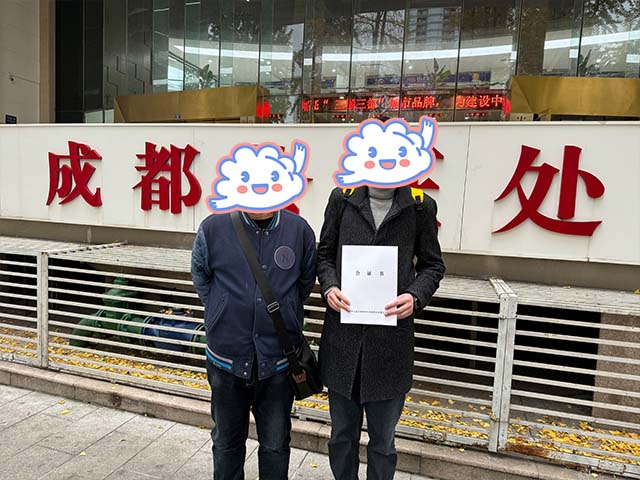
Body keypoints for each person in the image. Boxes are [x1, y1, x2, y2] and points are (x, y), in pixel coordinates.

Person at [317, 179, 445, 478]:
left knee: (383, 442)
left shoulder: (420, 205)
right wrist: (330, 286)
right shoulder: (342, 198)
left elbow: (432, 265)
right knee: (341, 437)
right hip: (343, 342)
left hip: (390, 345)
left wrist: (415, 296)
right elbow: (324, 255)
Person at [192, 208, 317, 480]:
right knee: (226, 443)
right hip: (226, 360)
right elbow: (201, 276)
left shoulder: (299, 230)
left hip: (279, 362)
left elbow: (304, 284)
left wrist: (287, 309)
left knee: (275, 444)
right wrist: (220, 309)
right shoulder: (212, 228)